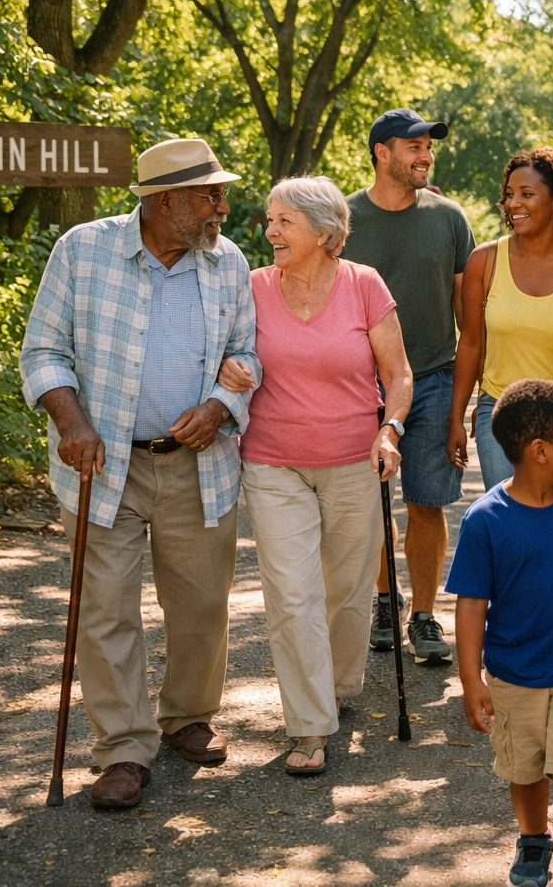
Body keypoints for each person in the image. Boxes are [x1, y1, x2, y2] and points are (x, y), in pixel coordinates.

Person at [19, 138, 259, 809]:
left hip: (198, 464)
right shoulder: (82, 250)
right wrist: (71, 422)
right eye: (209, 195)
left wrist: (221, 405)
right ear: (162, 202)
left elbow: (247, 353)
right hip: (105, 465)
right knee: (107, 611)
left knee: (203, 606)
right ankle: (122, 749)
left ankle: (186, 716)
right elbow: (42, 350)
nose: (223, 206)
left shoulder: (228, 262)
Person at [214, 176, 414, 775]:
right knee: (293, 596)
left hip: (355, 460)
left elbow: (399, 375)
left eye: (283, 222)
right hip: (273, 462)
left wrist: (391, 429)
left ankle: (339, 686)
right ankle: (308, 726)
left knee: (349, 594)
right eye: (271, 221)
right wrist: (228, 366)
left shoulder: (363, 286)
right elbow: (224, 348)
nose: (269, 231)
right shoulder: (250, 288)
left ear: (324, 234)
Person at [448, 379, 553, 887]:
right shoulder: (486, 521)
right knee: (524, 771)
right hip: (512, 673)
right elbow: (470, 607)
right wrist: (471, 679)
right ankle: (532, 838)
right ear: (540, 452)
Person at [342, 107, 476, 663]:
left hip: (434, 378)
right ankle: (382, 601)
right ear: (382, 153)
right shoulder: (341, 218)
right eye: (414, 147)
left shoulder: (448, 217)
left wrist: (460, 409)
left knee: (427, 502)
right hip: (357, 384)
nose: (426, 156)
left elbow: (468, 316)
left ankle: (423, 616)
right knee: (370, 501)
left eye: (428, 148)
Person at [447, 147, 553, 489]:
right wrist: (455, 419)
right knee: (510, 527)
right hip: (499, 417)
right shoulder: (484, 262)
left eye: (527, 194)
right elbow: (471, 343)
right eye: (509, 195)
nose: (513, 203)